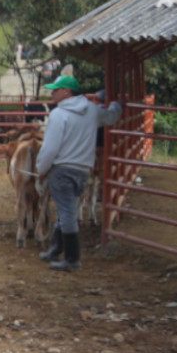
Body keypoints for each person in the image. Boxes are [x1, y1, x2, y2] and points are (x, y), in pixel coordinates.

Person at [35, 75, 123, 272]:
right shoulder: (91, 110)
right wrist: (117, 104)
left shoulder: (58, 115)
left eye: (55, 89)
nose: (52, 93)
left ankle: (72, 258)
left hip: (62, 169)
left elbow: (49, 149)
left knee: (66, 213)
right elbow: (111, 117)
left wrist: (41, 170)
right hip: (82, 169)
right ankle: (55, 250)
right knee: (68, 209)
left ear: (67, 91)